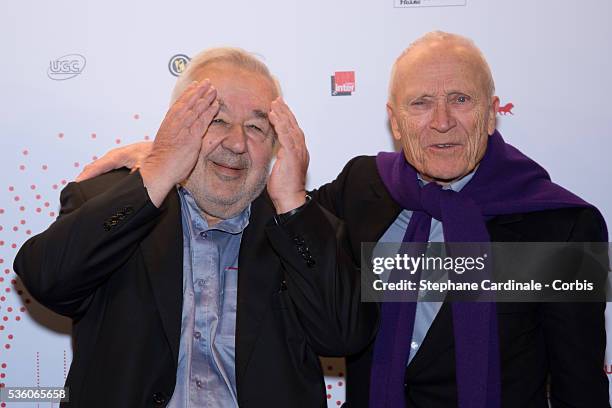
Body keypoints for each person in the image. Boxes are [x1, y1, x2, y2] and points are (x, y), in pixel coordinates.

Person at [74, 32, 610, 407]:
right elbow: (264, 203)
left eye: (461, 100)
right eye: (421, 103)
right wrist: (173, 158)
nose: (442, 121)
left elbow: (578, 386)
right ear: (395, 123)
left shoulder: (559, 223)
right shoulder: (363, 189)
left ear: (493, 111)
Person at [13, 48, 378, 408]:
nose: (236, 143)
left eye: (256, 127)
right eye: (216, 120)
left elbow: (344, 336)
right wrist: (157, 172)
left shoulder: (302, 227)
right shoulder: (107, 202)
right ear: (179, 126)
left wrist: (293, 203)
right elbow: (47, 281)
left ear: (275, 146)